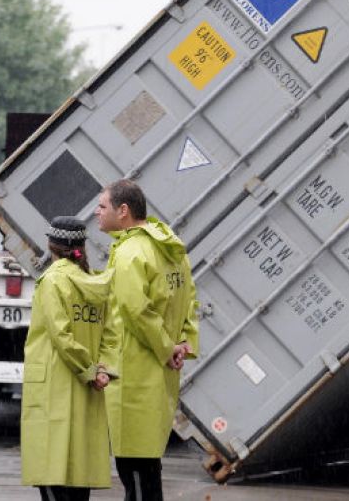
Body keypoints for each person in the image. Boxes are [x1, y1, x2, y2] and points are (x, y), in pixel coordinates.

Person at [95, 179, 198, 501]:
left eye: (102, 207)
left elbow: (133, 309)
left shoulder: (130, 252)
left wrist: (167, 347)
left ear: (123, 211)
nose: (96, 213)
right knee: (148, 465)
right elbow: (188, 300)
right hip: (160, 373)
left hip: (133, 374)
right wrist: (181, 344)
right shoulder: (171, 249)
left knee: (135, 470)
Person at [21, 217, 118, 501]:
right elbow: (111, 335)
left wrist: (89, 370)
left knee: (51, 472)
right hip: (88, 389)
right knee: (78, 473)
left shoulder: (53, 281)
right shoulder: (94, 282)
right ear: (81, 246)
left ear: (51, 245)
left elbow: (61, 336)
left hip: (54, 384)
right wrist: (103, 370)